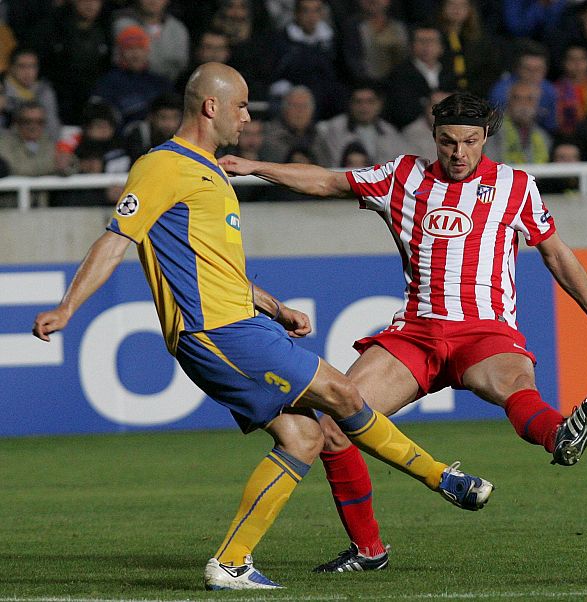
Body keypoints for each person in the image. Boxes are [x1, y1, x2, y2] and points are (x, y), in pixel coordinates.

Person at [31, 63, 493, 591]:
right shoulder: (164, 166)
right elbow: (116, 238)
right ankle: (444, 478)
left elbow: (213, 266)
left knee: (302, 437)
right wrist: (68, 308)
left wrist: (273, 307)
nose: (248, 116)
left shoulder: (208, 172)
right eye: (242, 106)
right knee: (341, 392)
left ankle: (231, 562)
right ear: (211, 107)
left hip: (242, 321)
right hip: (216, 330)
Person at [219, 91, 587, 572]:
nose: (458, 153)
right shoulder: (402, 176)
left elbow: (556, 253)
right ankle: (369, 551)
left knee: (516, 387)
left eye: (470, 142)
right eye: (448, 142)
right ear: (434, 137)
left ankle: (560, 435)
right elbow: (328, 181)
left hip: (485, 331)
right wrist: (253, 166)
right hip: (415, 334)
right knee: (331, 424)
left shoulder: (516, 186)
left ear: (486, 140)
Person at [484, 80, 551, 164]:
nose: (523, 104)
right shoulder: (493, 132)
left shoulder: (543, 136)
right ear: (508, 102)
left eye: (529, 99)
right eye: (517, 98)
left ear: (536, 103)